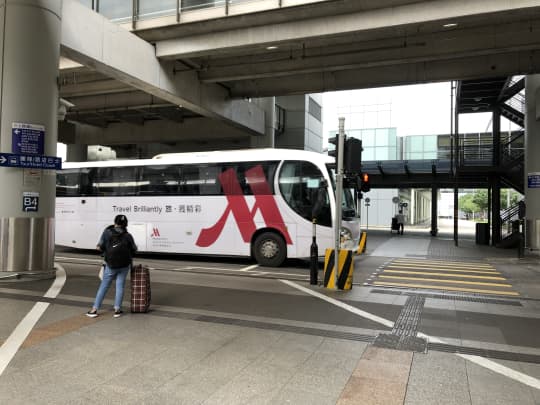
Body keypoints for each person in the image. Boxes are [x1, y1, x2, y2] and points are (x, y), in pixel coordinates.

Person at [86, 214, 137, 318]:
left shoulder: (107, 232)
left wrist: (106, 250)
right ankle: (117, 310)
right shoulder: (128, 235)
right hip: (124, 265)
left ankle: (94, 310)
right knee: (120, 286)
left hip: (111, 264)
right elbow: (134, 249)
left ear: (115, 222)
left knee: (104, 286)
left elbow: (99, 247)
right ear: (125, 224)